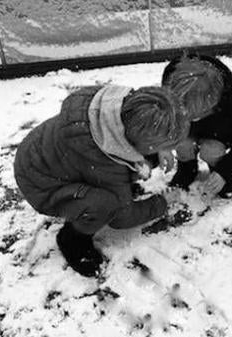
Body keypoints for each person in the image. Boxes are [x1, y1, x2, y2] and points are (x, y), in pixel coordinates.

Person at [13, 84, 189, 277]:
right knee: (107, 204)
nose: (165, 150)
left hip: (48, 157)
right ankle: (73, 240)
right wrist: (162, 203)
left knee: (138, 165)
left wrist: (157, 150)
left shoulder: (112, 109)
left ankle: (132, 168)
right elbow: (123, 217)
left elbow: (127, 154)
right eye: (160, 146)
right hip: (42, 184)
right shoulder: (104, 164)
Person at [161, 53, 232, 199]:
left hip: (218, 133)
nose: (191, 118)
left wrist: (224, 172)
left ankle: (216, 171)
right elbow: (160, 119)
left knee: (211, 150)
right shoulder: (172, 87)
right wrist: (163, 146)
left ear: (215, 102)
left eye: (197, 114)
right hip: (187, 133)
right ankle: (187, 169)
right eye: (185, 114)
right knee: (183, 143)